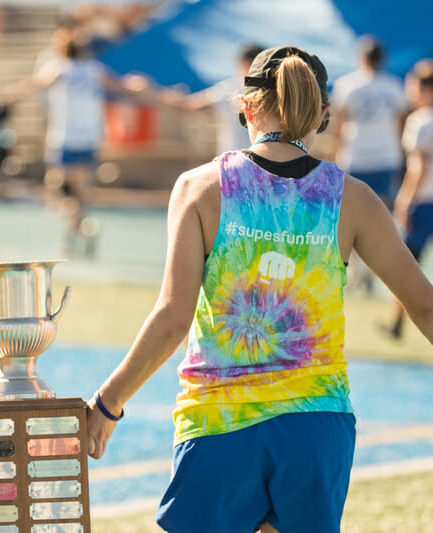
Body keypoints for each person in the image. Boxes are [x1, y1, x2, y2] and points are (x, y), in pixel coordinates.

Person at [85, 46, 433, 533]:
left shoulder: (200, 187)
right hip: (318, 425)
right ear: (325, 115)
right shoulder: (354, 198)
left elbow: (172, 318)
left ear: (245, 108)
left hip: (219, 422)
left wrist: (106, 404)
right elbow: (424, 306)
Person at [0, 28, 144, 257]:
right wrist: (137, 86)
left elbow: (37, 83)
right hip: (89, 138)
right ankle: (81, 227)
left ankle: (76, 227)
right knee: (80, 192)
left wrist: (11, 94)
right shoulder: (94, 70)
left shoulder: (60, 68)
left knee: (59, 189)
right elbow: (121, 87)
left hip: (64, 138)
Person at [385, 59, 433, 338]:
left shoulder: (420, 121)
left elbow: (419, 166)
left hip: (424, 202)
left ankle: (397, 325)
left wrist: (404, 199)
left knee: (406, 269)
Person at [331, 36, 407, 207]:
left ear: (360, 58)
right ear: (382, 59)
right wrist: (400, 154)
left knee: (352, 207)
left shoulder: (346, 85)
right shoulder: (393, 86)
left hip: (355, 156)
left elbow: (338, 124)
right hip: (386, 156)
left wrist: (335, 155)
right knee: (383, 209)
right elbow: (400, 124)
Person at [158, 43, 264, 154]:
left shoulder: (230, 89)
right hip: (268, 161)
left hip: (235, 160)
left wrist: (157, 93)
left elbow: (190, 105)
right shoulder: (276, 90)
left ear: (245, 64)